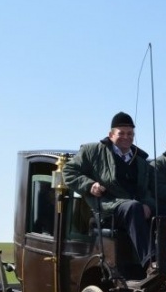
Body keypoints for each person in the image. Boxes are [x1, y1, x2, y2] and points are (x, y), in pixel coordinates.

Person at [63, 111, 156, 279]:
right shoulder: (92, 151)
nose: (126, 137)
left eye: (130, 134)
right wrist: (90, 185)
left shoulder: (141, 160)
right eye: (122, 133)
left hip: (134, 210)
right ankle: (150, 262)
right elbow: (69, 171)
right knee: (133, 207)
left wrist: (148, 205)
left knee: (165, 213)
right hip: (107, 208)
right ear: (111, 134)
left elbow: (147, 191)